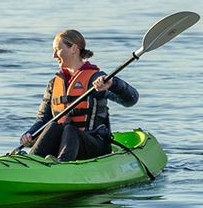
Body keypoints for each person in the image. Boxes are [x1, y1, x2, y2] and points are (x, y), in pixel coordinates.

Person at [18, 29, 138, 162]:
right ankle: (31, 161)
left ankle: (62, 165)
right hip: (63, 144)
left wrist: (113, 84)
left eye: (57, 50)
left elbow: (131, 99)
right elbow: (43, 119)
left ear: (74, 48)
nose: (54, 55)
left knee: (70, 129)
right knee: (53, 126)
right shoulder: (54, 83)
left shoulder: (97, 79)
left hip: (94, 145)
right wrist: (29, 134)